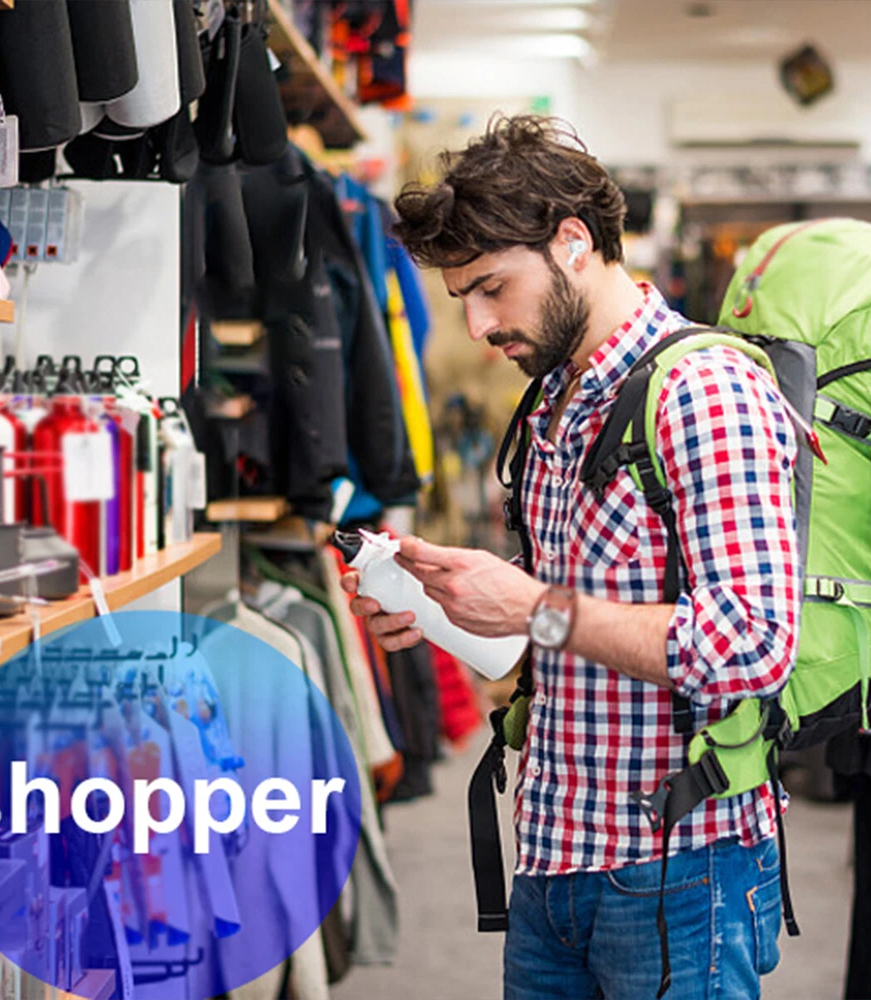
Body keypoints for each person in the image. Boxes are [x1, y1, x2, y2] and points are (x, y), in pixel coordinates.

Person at [340, 115, 800, 1000]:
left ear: (573, 243)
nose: (479, 324)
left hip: (678, 866)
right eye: (461, 297)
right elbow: (571, 624)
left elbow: (751, 645)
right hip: (554, 850)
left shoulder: (706, 392)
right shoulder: (557, 395)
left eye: (491, 288)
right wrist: (453, 607)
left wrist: (532, 608)